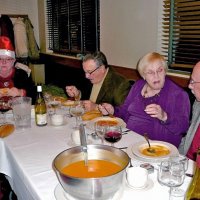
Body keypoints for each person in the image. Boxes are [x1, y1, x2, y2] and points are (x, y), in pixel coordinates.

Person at [99, 52, 190, 147]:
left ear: (165, 71)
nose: (156, 76)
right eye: (150, 72)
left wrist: (164, 116)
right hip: (129, 140)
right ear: (143, 76)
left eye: (160, 70)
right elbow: (125, 111)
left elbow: (183, 127)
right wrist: (112, 110)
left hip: (157, 148)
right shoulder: (138, 85)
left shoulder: (178, 94)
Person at [66, 51, 132, 111]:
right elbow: (87, 97)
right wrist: (78, 94)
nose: (86, 76)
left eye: (89, 72)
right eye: (85, 72)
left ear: (102, 68)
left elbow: (123, 112)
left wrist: (96, 107)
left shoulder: (120, 84)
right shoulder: (92, 76)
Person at [0, 36, 36, 101]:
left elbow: (36, 96)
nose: (4, 62)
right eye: (0, 59)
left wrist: (20, 92)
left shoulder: (21, 75)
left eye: (8, 59)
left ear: (13, 61)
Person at [178, 61, 200, 161]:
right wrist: (175, 158)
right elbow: (186, 139)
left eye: (193, 82)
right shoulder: (198, 104)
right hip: (186, 163)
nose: (189, 86)